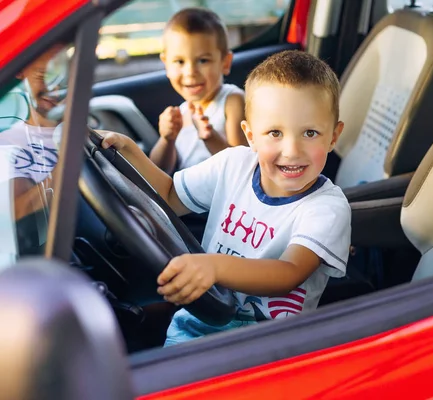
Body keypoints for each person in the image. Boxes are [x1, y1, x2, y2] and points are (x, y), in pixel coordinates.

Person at [100, 50, 351, 345]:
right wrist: (129, 150)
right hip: (194, 324)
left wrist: (214, 266)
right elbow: (168, 194)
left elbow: (289, 273)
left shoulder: (327, 207)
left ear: (334, 137)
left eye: (310, 133)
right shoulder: (233, 165)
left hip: (262, 348)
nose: (292, 150)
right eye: (274, 133)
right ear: (250, 135)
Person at [149, 8, 247, 175]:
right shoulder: (182, 112)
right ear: (166, 64)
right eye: (179, 61)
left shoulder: (232, 101)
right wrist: (167, 139)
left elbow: (243, 166)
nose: (190, 72)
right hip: (182, 196)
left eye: (203, 60)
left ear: (225, 63)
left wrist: (210, 138)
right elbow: (158, 170)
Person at [0, 44, 68, 222]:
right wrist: (72, 165)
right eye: (43, 75)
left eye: (64, 79)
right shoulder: (7, 145)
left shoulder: (93, 126)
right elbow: (14, 214)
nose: (53, 89)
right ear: (21, 71)